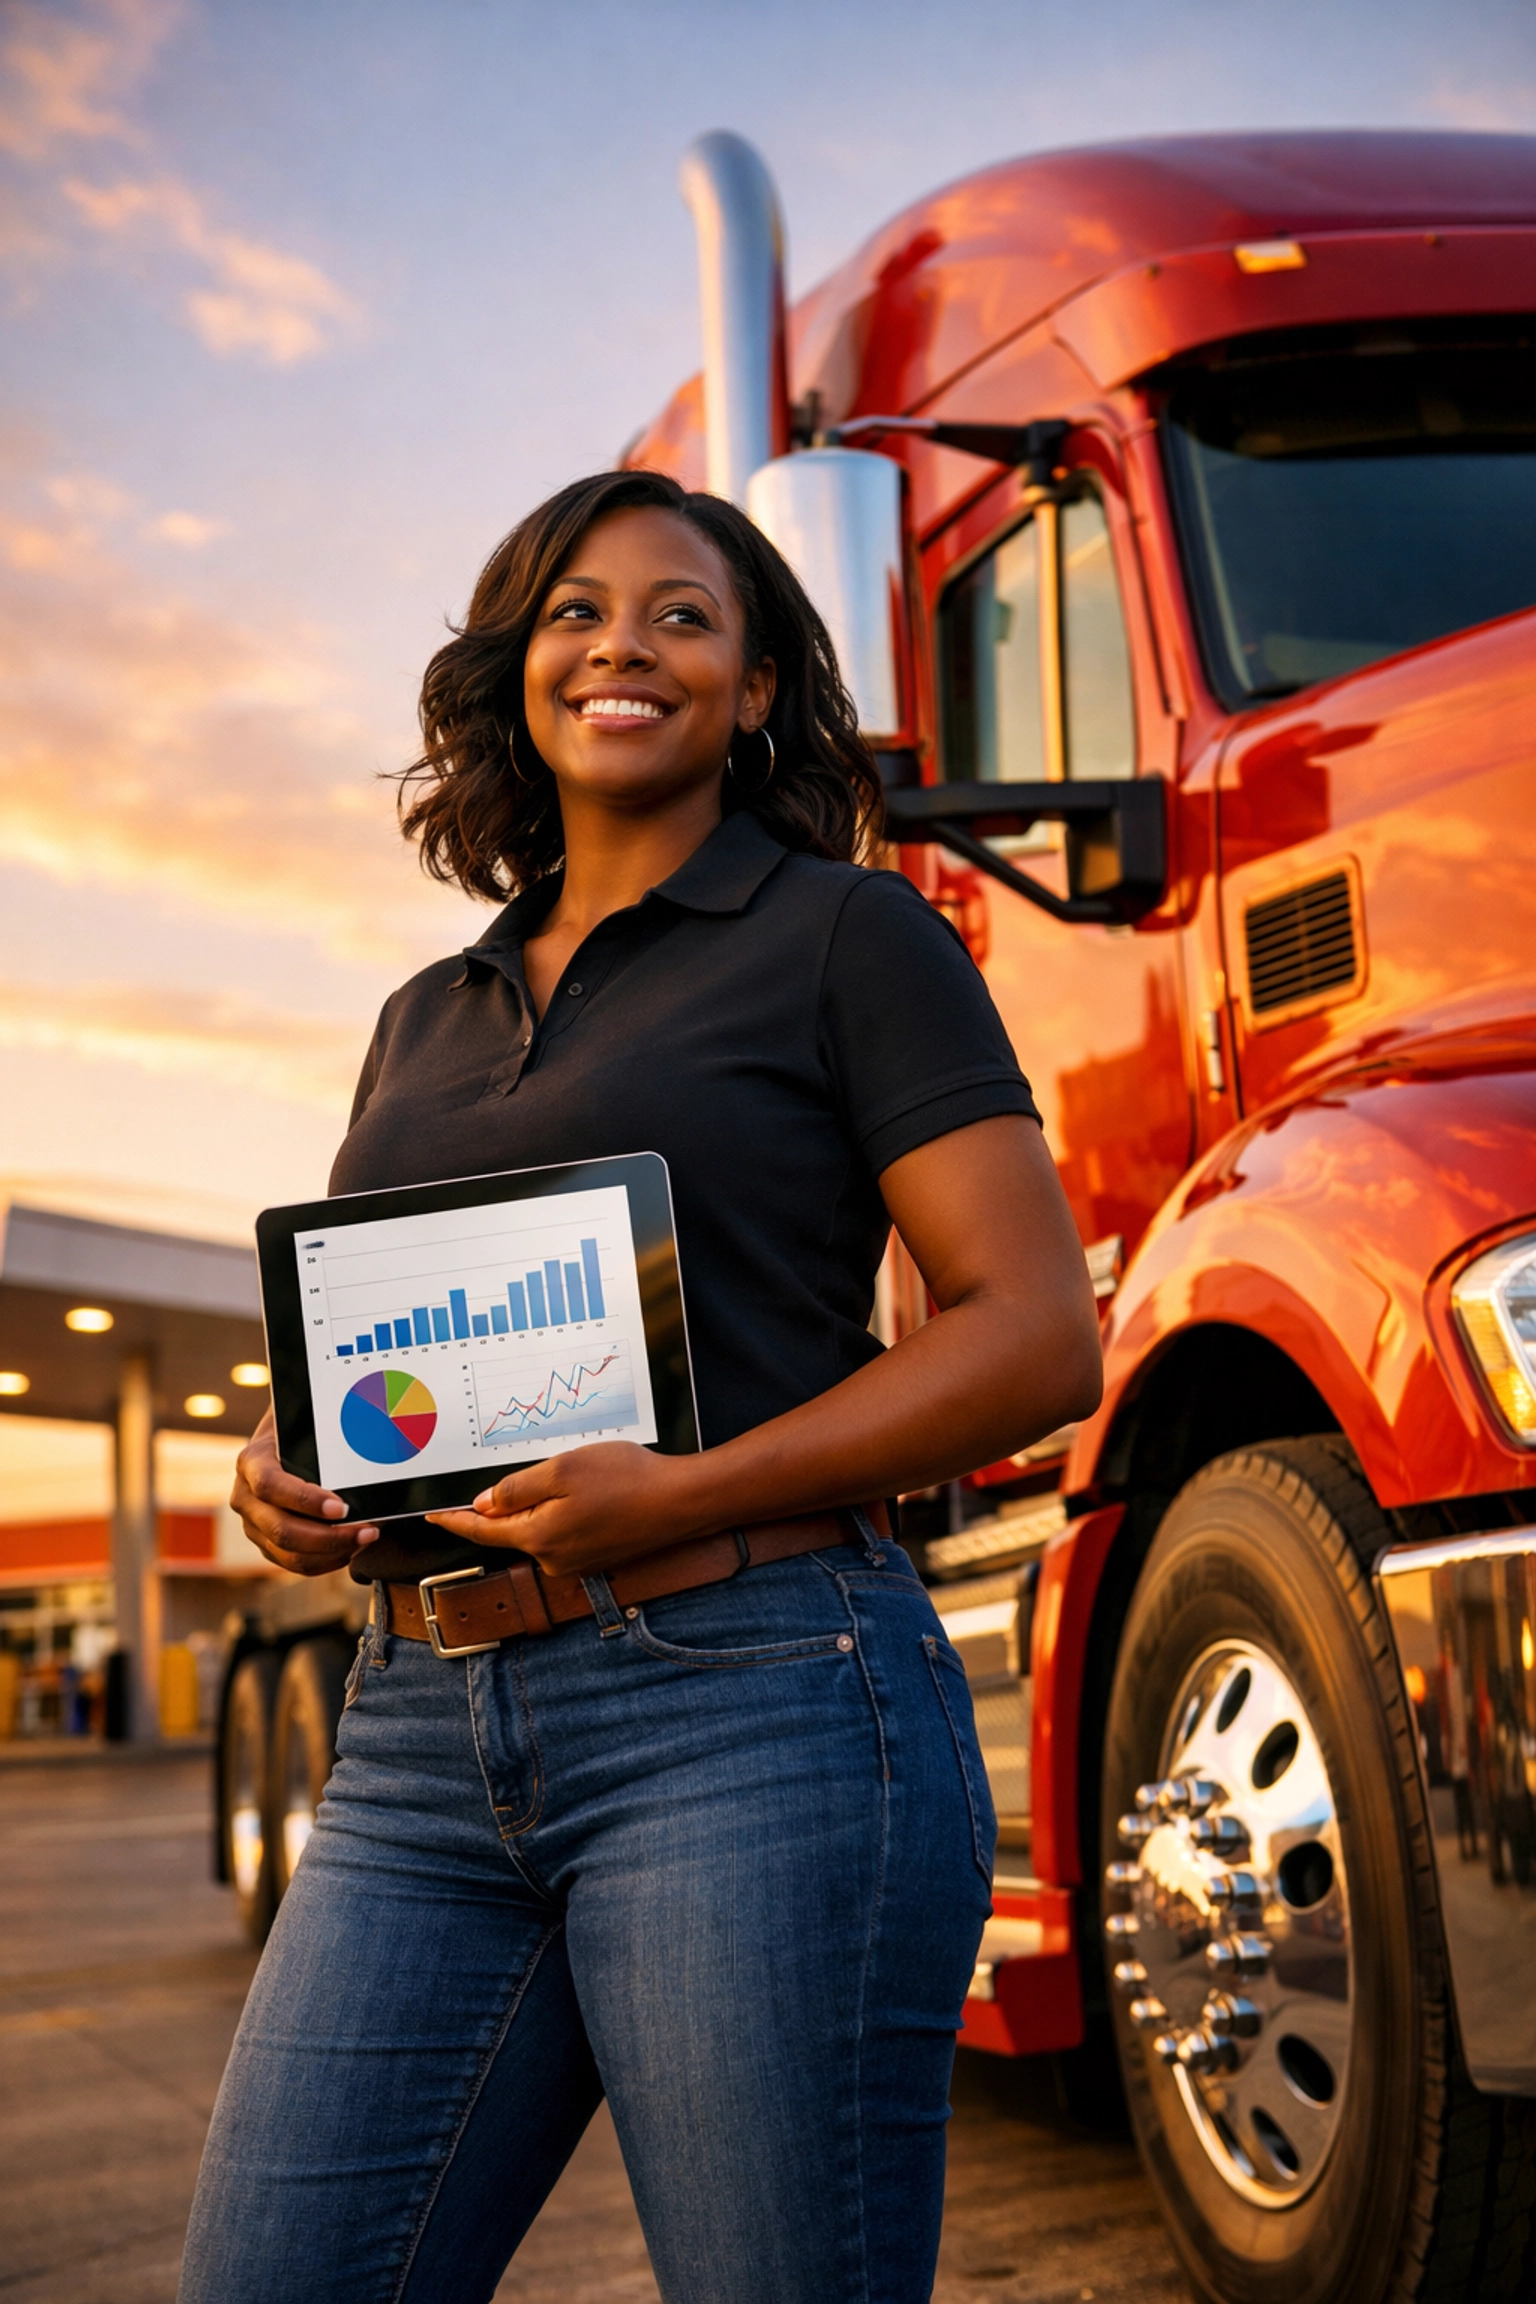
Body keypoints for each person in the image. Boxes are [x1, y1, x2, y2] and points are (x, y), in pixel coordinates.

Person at [179, 468, 1102, 2304]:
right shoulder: (423, 1014)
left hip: (752, 1711)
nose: (624, 646)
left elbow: (1034, 1335)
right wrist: (294, 1461)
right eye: (577, 611)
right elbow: (395, 1358)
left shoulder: (850, 936)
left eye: (684, 616)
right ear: (518, 670)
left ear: (756, 690)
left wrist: (680, 1491)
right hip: (418, 1745)